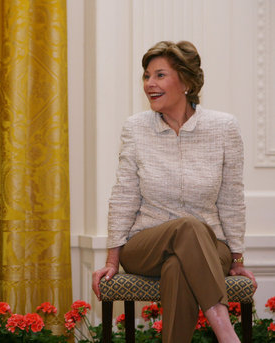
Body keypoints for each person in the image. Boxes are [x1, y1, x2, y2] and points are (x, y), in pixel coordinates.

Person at [91, 41, 257, 343]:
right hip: (146, 245)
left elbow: (232, 198)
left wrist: (237, 259)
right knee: (188, 226)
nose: (149, 84)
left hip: (210, 248)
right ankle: (223, 327)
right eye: (146, 76)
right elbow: (124, 194)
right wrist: (112, 261)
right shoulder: (136, 128)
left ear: (187, 82)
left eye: (159, 75)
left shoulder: (223, 128)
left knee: (179, 266)